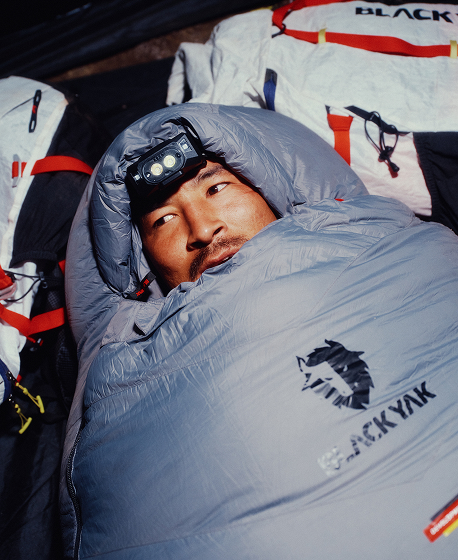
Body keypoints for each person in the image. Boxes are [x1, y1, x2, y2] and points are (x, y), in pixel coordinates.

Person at [61, 104, 458, 560]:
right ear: (143, 265)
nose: (203, 228)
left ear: (272, 188)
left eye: (216, 188)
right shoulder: (122, 369)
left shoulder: (385, 244)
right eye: (163, 220)